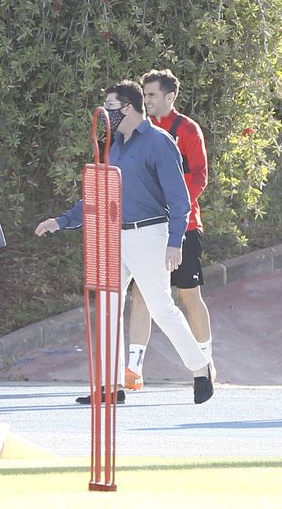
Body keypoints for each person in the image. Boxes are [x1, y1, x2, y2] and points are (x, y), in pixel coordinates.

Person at [34, 81, 211, 403]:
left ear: (128, 108)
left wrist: (175, 241)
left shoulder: (159, 142)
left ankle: (201, 369)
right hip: (114, 236)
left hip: (150, 234)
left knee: (162, 308)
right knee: (108, 308)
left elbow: (179, 198)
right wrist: (62, 221)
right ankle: (110, 386)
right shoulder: (113, 145)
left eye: (111, 107)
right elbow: (98, 194)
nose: (105, 113)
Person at [121, 69, 216, 403]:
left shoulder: (186, 129)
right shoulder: (135, 132)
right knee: (141, 295)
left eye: (151, 95)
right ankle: (133, 369)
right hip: (148, 231)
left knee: (188, 296)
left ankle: (205, 361)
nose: (146, 100)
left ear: (169, 97)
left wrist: (175, 207)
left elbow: (200, 175)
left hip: (183, 226)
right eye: (144, 95)